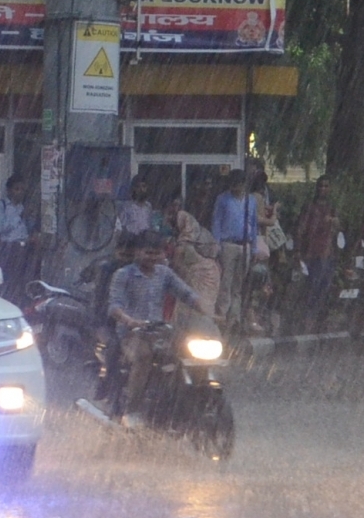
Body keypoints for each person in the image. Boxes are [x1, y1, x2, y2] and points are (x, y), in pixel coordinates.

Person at [105, 231, 203, 426]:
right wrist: (130, 321)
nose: (153, 258)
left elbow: (187, 294)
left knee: (188, 354)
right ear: (137, 252)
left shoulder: (164, 273)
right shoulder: (123, 275)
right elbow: (114, 306)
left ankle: (177, 404)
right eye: (148, 253)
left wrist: (209, 312)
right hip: (132, 335)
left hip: (161, 333)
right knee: (143, 357)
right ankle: (131, 411)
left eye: (157, 253)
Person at [211, 171, 260, 329]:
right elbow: (217, 222)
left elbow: (254, 224)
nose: (236, 186)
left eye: (239, 183)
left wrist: (254, 248)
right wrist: (216, 244)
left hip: (245, 244)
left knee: (238, 285)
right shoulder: (223, 199)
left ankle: (235, 318)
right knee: (226, 282)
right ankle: (222, 316)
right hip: (228, 244)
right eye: (233, 183)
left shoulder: (250, 200)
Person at [163, 195, 222, 317]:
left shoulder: (183, 243)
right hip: (212, 273)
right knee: (203, 304)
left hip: (198, 276)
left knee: (192, 307)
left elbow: (176, 266)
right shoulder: (202, 234)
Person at [295, 177, 340, 330]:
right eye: (320, 186)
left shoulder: (332, 207)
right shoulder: (310, 207)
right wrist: (299, 251)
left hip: (328, 254)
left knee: (325, 288)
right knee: (312, 288)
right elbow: (302, 229)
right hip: (312, 253)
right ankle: (307, 321)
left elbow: (337, 232)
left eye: (326, 186)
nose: (323, 189)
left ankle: (321, 320)